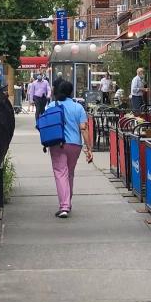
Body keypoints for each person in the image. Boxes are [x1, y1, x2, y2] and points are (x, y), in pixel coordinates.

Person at [46, 76, 91, 219]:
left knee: (60, 173)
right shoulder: (78, 107)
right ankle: (68, 203)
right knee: (69, 173)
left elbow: (46, 125)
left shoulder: (52, 106)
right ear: (71, 92)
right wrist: (89, 149)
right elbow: (83, 129)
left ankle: (64, 206)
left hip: (57, 144)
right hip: (75, 145)